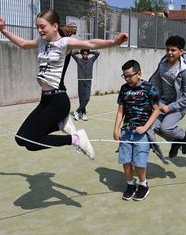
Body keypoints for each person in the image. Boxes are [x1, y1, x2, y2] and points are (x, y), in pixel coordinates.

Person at [0, 9, 128, 161]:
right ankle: (61, 124)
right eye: (37, 27)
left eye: (42, 26)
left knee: (32, 142)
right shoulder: (41, 42)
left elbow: (90, 43)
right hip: (45, 100)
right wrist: (3, 30)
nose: (39, 30)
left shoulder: (64, 43)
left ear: (54, 26)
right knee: (21, 139)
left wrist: (115, 42)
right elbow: (22, 43)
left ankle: (76, 139)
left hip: (58, 101)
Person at [113, 60, 160, 201]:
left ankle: (143, 185)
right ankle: (130, 185)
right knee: (126, 161)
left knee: (139, 163)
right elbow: (120, 111)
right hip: (127, 131)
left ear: (139, 74)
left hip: (142, 133)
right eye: (124, 76)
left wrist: (145, 128)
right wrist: (116, 129)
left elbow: (156, 110)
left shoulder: (149, 88)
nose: (127, 79)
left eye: (130, 76)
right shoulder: (124, 89)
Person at [149, 35, 186, 158]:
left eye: (173, 50)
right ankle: (176, 141)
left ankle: (185, 136)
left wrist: (170, 107)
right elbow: (156, 80)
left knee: (166, 128)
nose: (169, 53)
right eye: (167, 49)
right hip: (164, 101)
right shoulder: (163, 63)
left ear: (181, 51)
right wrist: (151, 95)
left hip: (180, 104)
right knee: (153, 126)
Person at [71, 49, 100, 121]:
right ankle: (83, 114)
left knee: (87, 98)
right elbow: (72, 54)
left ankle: (77, 112)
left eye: (87, 54)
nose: (85, 55)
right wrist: (78, 51)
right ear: (82, 54)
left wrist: (90, 51)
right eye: (84, 54)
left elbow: (97, 53)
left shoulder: (91, 60)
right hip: (80, 80)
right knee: (81, 98)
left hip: (88, 81)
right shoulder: (78, 60)